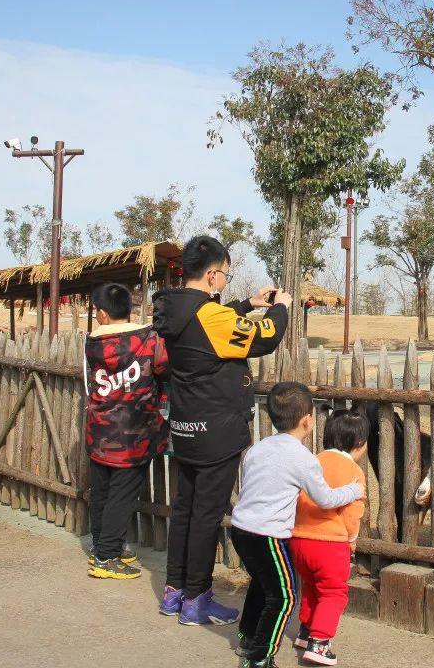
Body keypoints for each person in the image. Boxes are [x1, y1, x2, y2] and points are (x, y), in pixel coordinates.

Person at [152, 235, 291, 625]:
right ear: (212, 275)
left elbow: (206, 325)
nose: (226, 282)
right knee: (206, 515)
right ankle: (197, 598)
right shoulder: (210, 316)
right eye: (226, 275)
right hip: (217, 429)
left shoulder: (174, 309)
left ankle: (174, 591)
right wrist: (280, 309)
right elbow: (264, 339)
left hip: (185, 425)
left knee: (185, 509)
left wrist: (247, 304)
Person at [230, 382, 364, 668]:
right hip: (267, 535)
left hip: (240, 528)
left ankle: (248, 637)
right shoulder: (303, 458)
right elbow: (325, 499)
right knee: (284, 596)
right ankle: (259, 658)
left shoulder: (259, 447)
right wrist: (352, 491)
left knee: (263, 584)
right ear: (307, 420)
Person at [82, 282, 168, 580]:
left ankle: (104, 546)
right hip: (134, 435)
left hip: (100, 433)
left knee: (102, 493)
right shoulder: (149, 339)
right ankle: (106, 558)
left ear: (103, 314)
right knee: (122, 497)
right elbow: (164, 370)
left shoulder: (91, 343)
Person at [289, 409, 368, 666]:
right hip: (330, 544)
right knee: (333, 592)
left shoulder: (313, 460)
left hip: (299, 539)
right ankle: (320, 642)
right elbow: (351, 514)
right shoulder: (354, 472)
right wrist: (351, 541)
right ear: (359, 445)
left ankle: (305, 631)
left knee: (311, 586)